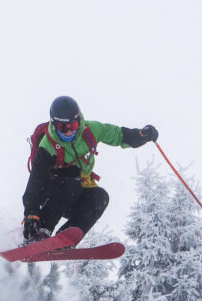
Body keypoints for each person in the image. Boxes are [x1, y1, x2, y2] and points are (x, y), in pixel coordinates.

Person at [22, 95, 158, 243]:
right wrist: (31, 214)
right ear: (54, 125)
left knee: (100, 196)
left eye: (72, 126)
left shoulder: (91, 130)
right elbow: (35, 182)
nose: (68, 132)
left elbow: (118, 135)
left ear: (79, 120)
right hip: (52, 193)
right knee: (72, 183)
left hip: (78, 187)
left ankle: (65, 239)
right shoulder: (48, 146)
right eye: (62, 127)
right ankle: (41, 230)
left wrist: (142, 135)